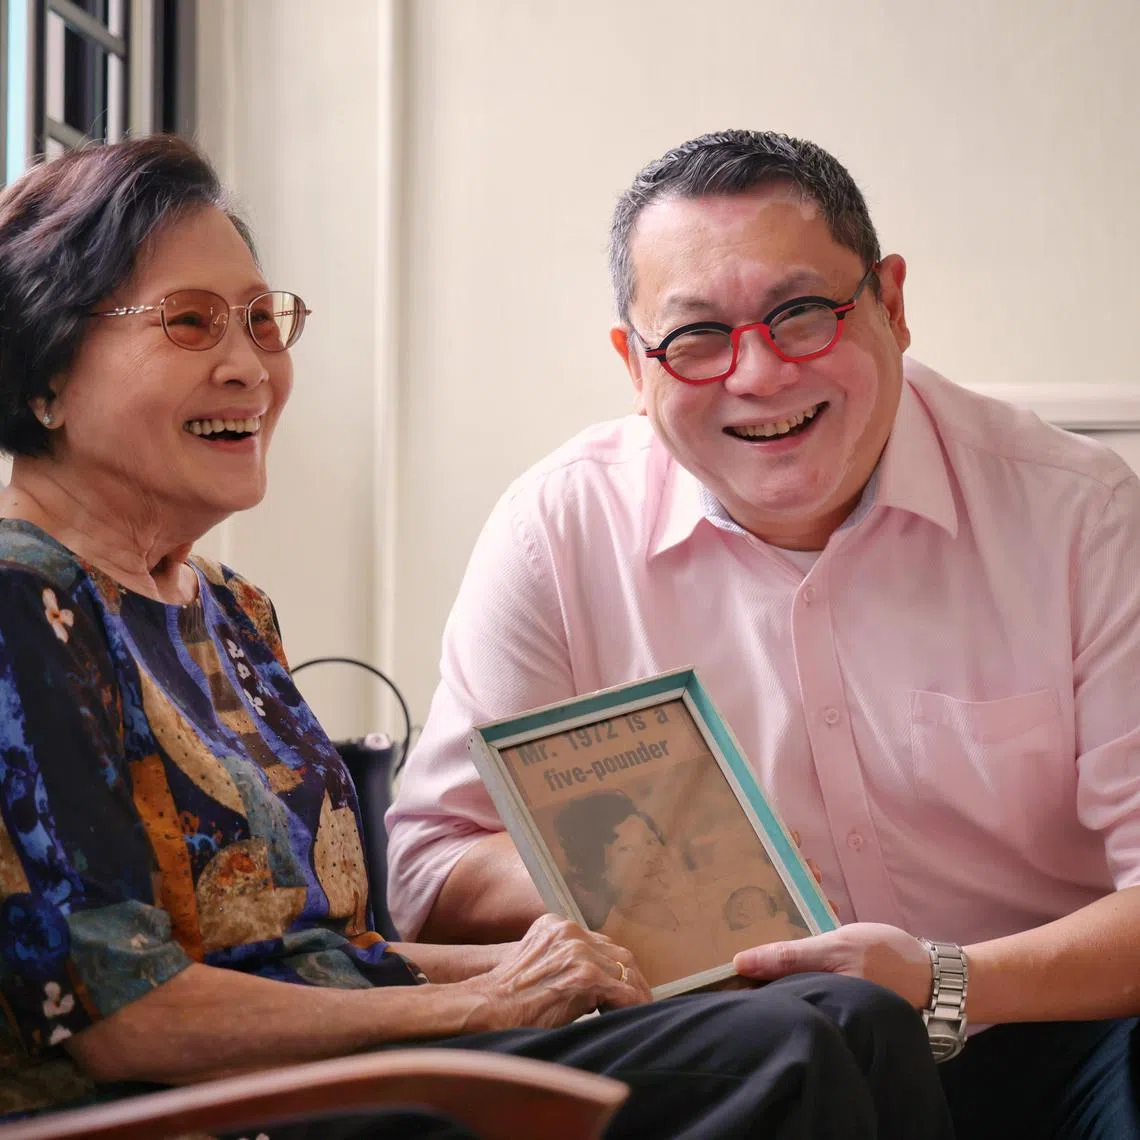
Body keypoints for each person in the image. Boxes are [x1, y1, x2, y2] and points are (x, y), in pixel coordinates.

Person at [0, 136, 954, 1139]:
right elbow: (122, 1018)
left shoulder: (228, 610)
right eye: (192, 325)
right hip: (176, 1115)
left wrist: (547, 962)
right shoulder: (26, 606)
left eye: (260, 321)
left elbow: (332, 953)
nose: (251, 369)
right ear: (45, 372)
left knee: (851, 1018)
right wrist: (484, 1001)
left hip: (325, 1069)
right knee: (784, 1054)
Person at [385, 128, 1140, 1138]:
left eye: (802, 313)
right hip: (764, 1053)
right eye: (696, 337)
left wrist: (950, 982)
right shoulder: (558, 531)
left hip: (1055, 1028)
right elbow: (429, 874)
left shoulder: (1077, 514)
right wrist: (652, 871)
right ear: (632, 361)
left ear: (893, 305)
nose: (758, 374)